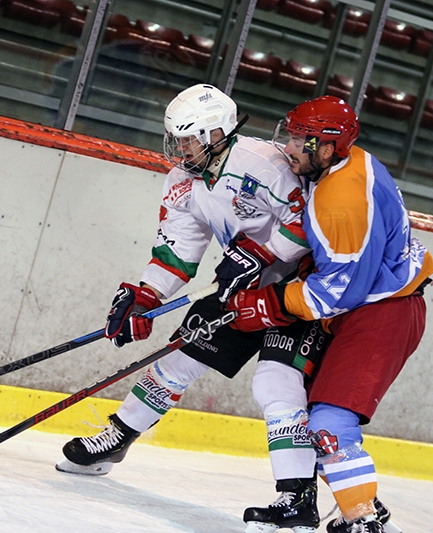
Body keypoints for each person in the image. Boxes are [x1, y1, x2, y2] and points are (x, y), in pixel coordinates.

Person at [56, 83, 330, 532]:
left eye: (188, 139)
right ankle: (118, 438)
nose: (179, 148)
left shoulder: (265, 164)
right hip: (240, 292)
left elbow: (309, 223)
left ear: (217, 132)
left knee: (277, 386)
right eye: (176, 139)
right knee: (180, 355)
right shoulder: (183, 180)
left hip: (297, 295)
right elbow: (178, 250)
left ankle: (296, 499)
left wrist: (263, 254)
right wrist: (147, 294)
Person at [226, 95, 433, 533]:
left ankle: (363, 521)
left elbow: (339, 291)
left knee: (329, 423)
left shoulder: (341, 200)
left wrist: (270, 302)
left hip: (381, 313)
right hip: (375, 305)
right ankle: (356, 508)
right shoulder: (349, 164)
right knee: (306, 410)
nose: (288, 145)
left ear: (327, 147)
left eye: (300, 139)